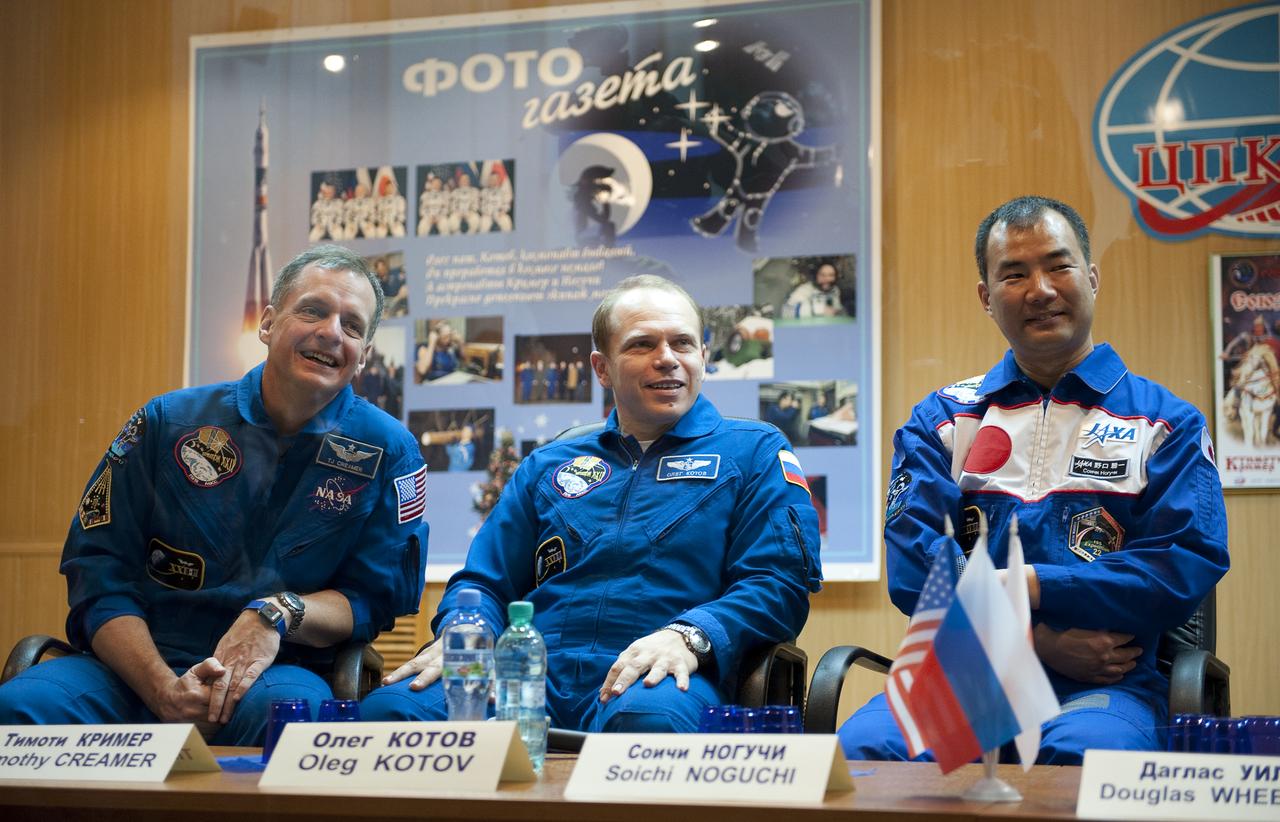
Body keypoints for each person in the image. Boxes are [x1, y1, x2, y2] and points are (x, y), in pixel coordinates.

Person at [837, 196, 1229, 765]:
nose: (1040, 290)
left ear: (1091, 278)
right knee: (865, 752)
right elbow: (914, 567)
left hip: (1104, 680)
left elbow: (1181, 562)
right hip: (963, 671)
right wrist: (1034, 640)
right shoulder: (943, 420)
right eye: (1014, 274)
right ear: (986, 298)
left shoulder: (1167, 423)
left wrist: (1034, 585)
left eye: (1058, 266)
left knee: (1085, 758)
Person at [0, 245, 431, 745]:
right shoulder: (167, 422)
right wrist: (161, 688)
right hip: (135, 665)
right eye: (313, 310)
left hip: (276, 669)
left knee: (297, 722)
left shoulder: (389, 451)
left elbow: (370, 599)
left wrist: (276, 612)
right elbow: (99, 573)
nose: (332, 332)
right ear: (267, 324)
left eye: (352, 326)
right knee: (19, 710)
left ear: (364, 357)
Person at [361, 274, 822, 732]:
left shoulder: (754, 452)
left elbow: (776, 584)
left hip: (660, 671)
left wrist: (690, 635)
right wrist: (467, 630)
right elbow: (484, 579)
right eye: (642, 345)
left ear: (703, 357)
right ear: (602, 368)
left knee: (646, 724)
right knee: (391, 715)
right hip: (526, 671)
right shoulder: (549, 463)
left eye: (682, 343)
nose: (667, 359)